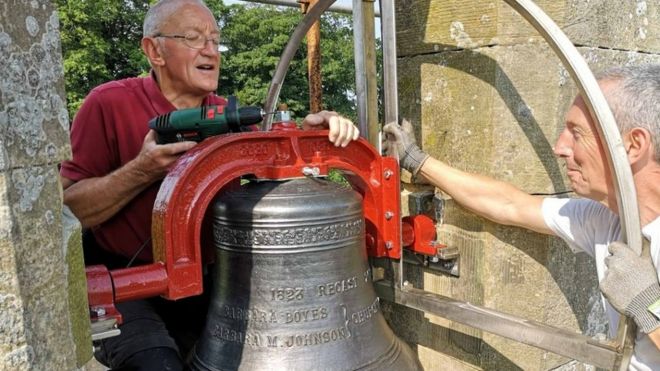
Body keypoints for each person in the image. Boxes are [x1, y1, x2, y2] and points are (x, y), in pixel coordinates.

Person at [59, 0, 359, 369]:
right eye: (193, 38)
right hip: (126, 282)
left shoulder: (229, 119)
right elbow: (67, 211)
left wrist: (309, 136)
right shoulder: (107, 104)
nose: (210, 51)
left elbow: (279, 163)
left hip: (209, 281)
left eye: (215, 40)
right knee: (156, 363)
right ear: (153, 50)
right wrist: (141, 170)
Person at [383, 64, 660, 370]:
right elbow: (509, 204)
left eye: (577, 133)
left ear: (634, 145)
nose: (559, 147)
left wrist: (649, 304)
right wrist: (416, 160)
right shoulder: (605, 218)